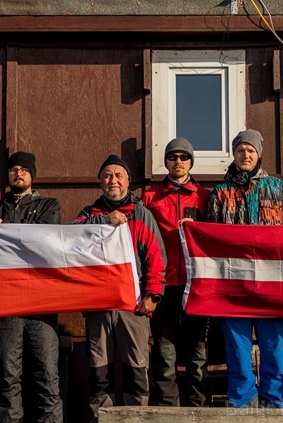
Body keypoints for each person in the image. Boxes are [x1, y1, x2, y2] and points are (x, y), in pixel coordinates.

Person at [73, 154, 166, 421]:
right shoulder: (88, 214)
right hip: (98, 306)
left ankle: (136, 418)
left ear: (128, 181)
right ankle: (100, 418)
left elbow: (157, 259)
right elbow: (70, 238)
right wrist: (104, 221)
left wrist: (153, 296)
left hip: (133, 306)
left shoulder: (141, 214)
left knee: (136, 369)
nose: (112, 180)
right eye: (107, 175)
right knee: (98, 371)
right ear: (101, 182)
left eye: (118, 175)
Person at [0, 151, 63, 422]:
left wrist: (6, 228)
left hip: (41, 305)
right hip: (6, 305)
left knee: (47, 375)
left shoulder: (50, 206)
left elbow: (41, 240)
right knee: (8, 378)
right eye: (13, 169)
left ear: (32, 175)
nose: (18, 174)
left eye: (24, 169)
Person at [206, 129, 283, 408]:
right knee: (238, 349)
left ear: (259, 154)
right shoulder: (219, 194)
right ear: (234, 154)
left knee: (273, 347)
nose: (246, 155)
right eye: (241, 150)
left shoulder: (278, 189)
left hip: (271, 284)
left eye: (251, 151)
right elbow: (209, 239)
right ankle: (242, 402)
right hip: (234, 284)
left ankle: (276, 401)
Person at [141, 138, 211, 406]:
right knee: (165, 351)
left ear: (191, 161)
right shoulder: (150, 197)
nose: (178, 161)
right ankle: (168, 409)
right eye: (172, 157)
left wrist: (199, 226)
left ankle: (199, 407)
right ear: (166, 161)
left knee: (198, 352)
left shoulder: (205, 197)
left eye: (183, 157)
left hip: (197, 284)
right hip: (163, 283)